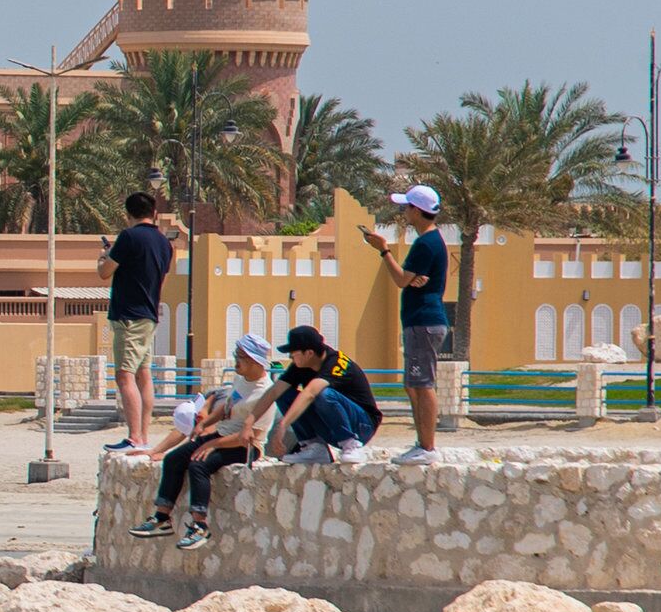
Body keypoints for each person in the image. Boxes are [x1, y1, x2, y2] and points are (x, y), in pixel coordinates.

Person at [132, 333, 278, 550]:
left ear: (255, 361)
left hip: (246, 447)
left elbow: (247, 438)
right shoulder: (241, 379)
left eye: (240, 356)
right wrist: (205, 423)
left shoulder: (264, 393)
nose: (235, 360)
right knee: (174, 459)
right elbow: (227, 406)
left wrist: (211, 445)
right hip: (222, 435)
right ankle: (161, 518)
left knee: (199, 465)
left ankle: (199, 525)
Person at [361, 184, 451, 463]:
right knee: (413, 385)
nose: (404, 212)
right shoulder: (431, 242)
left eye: (407, 207)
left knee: (422, 384)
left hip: (424, 322)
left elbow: (401, 280)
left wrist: (383, 250)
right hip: (419, 321)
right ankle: (422, 444)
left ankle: (427, 448)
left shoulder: (425, 243)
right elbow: (411, 278)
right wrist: (413, 278)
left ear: (417, 210)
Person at [97, 193, 179, 451]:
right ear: (154, 213)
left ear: (128, 214)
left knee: (125, 375)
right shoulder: (166, 245)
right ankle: (143, 434)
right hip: (149, 315)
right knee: (144, 374)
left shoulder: (128, 237)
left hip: (128, 317)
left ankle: (134, 437)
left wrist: (104, 256)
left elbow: (104, 272)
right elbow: (161, 281)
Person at [268, 325, 382, 464]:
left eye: (293, 352)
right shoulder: (301, 365)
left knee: (323, 394)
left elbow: (310, 392)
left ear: (309, 353)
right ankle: (315, 448)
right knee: (284, 394)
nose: (290, 356)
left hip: (362, 425)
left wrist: (283, 424)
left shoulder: (335, 363)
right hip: (331, 425)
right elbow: (274, 391)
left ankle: (350, 445)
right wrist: (249, 423)